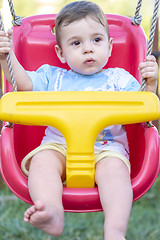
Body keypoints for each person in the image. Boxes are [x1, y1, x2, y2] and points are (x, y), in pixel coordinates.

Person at [0, 1, 158, 239]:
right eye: (76, 43)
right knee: (42, 164)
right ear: (61, 53)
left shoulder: (119, 80)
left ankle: (115, 232)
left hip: (107, 149)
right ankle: (52, 211)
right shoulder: (52, 77)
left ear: (110, 45)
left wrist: (152, 84)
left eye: (96, 40)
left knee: (115, 174)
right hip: (58, 147)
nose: (88, 49)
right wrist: (6, 57)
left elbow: (143, 106)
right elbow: (23, 84)